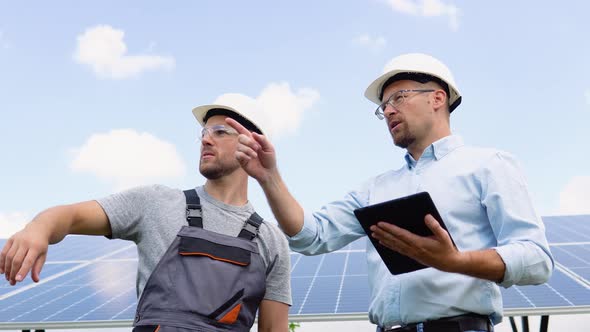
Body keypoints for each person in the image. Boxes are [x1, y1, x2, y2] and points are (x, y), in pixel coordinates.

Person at [226, 53, 554, 332]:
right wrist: (270, 178)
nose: (389, 111)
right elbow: (311, 236)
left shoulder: (489, 165)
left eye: (399, 97)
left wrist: (455, 261)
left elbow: (536, 259)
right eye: (384, 106)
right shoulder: (375, 188)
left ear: (437, 98)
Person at [0, 104, 292, 332]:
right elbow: (71, 216)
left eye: (219, 132)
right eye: (202, 134)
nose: (205, 140)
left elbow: (273, 328)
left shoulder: (271, 241)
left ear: (251, 142)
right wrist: (39, 227)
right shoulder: (155, 203)